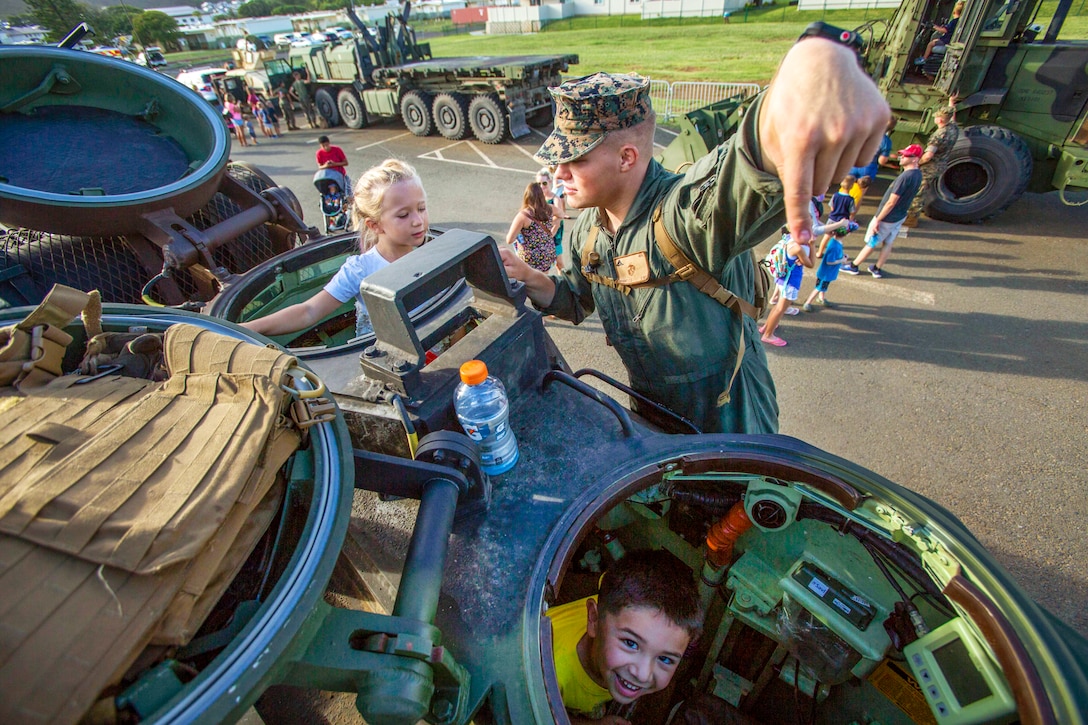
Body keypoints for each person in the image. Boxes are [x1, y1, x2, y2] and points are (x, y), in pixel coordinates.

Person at [496, 42, 889, 434]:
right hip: (654, 419)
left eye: (575, 159)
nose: (558, 172)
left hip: (729, 424)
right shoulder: (588, 229)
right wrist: (529, 275)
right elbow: (574, 299)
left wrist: (806, 75)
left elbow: (746, 161)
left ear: (626, 158)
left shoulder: (685, 213)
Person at [241, 159, 428, 338]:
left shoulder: (430, 252)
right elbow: (309, 311)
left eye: (421, 209)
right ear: (375, 225)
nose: (418, 221)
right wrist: (242, 330)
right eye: (403, 215)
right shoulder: (361, 270)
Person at [546, 550, 702, 724]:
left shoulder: (617, 596)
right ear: (594, 620)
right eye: (631, 643)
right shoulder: (550, 677)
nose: (643, 675)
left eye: (665, 659)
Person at [843, 144, 924, 278]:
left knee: (873, 241)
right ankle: (877, 268)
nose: (902, 157)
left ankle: (854, 266)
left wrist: (878, 220)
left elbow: (891, 202)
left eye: (906, 155)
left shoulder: (905, 177)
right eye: (902, 154)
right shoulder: (918, 174)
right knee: (888, 242)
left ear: (915, 159)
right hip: (900, 215)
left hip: (888, 217)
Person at [908, 100, 960, 224]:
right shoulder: (953, 128)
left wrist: (917, 163)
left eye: (936, 117)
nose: (935, 119)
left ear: (940, 120)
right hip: (941, 164)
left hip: (930, 166)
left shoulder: (938, 136)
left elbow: (928, 156)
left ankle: (911, 218)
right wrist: (951, 103)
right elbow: (952, 117)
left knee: (919, 192)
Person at [507, 180, 562, 272]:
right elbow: (561, 214)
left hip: (530, 258)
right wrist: (555, 226)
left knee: (529, 282)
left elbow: (509, 240)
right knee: (543, 279)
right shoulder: (550, 208)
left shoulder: (523, 216)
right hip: (547, 252)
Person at [803, 229, 848, 311]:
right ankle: (808, 302)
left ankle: (821, 298)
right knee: (819, 287)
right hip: (826, 273)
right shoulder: (836, 246)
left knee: (822, 287)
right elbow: (829, 261)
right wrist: (842, 260)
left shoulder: (834, 242)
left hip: (826, 272)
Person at [816, 174, 857, 257]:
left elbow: (832, 207)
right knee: (838, 238)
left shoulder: (835, 195)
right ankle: (833, 255)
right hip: (842, 221)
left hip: (832, 218)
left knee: (826, 236)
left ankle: (819, 252)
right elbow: (852, 211)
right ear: (852, 186)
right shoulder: (850, 199)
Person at [916, 1, 965, 65]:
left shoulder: (954, 21)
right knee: (935, 40)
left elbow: (944, 30)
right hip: (947, 39)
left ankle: (924, 59)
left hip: (946, 41)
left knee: (930, 44)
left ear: (955, 11)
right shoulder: (958, 21)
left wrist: (934, 27)